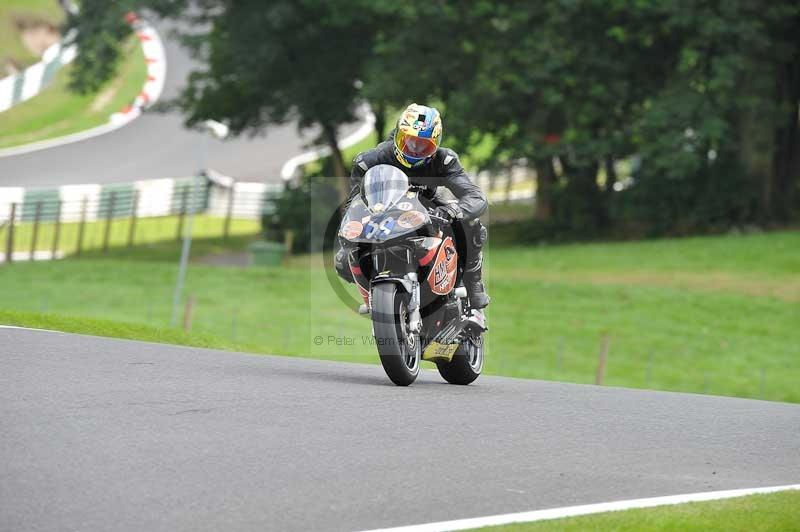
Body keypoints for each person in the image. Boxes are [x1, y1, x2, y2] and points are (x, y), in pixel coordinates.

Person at [336, 103, 490, 309]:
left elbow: (474, 196)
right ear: (398, 135)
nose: (414, 150)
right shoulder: (370, 160)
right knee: (343, 260)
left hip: (429, 209)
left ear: (435, 144)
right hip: (385, 215)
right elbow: (354, 203)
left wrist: (453, 210)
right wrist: (354, 226)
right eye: (408, 142)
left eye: (423, 145)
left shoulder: (445, 160)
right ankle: (375, 297)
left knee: (472, 225)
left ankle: (473, 282)